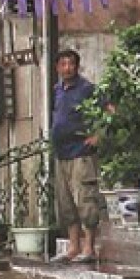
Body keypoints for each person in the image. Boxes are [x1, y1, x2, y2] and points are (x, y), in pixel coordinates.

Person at [50, 49, 111, 264]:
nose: (67, 68)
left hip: (81, 154)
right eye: (63, 64)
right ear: (58, 67)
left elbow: (110, 110)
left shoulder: (87, 89)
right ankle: (73, 247)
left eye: (71, 64)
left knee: (85, 199)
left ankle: (89, 248)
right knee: (66, 204)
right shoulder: (57, 90)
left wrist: (99, 135)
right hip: (61, 154)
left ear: (77, 66)